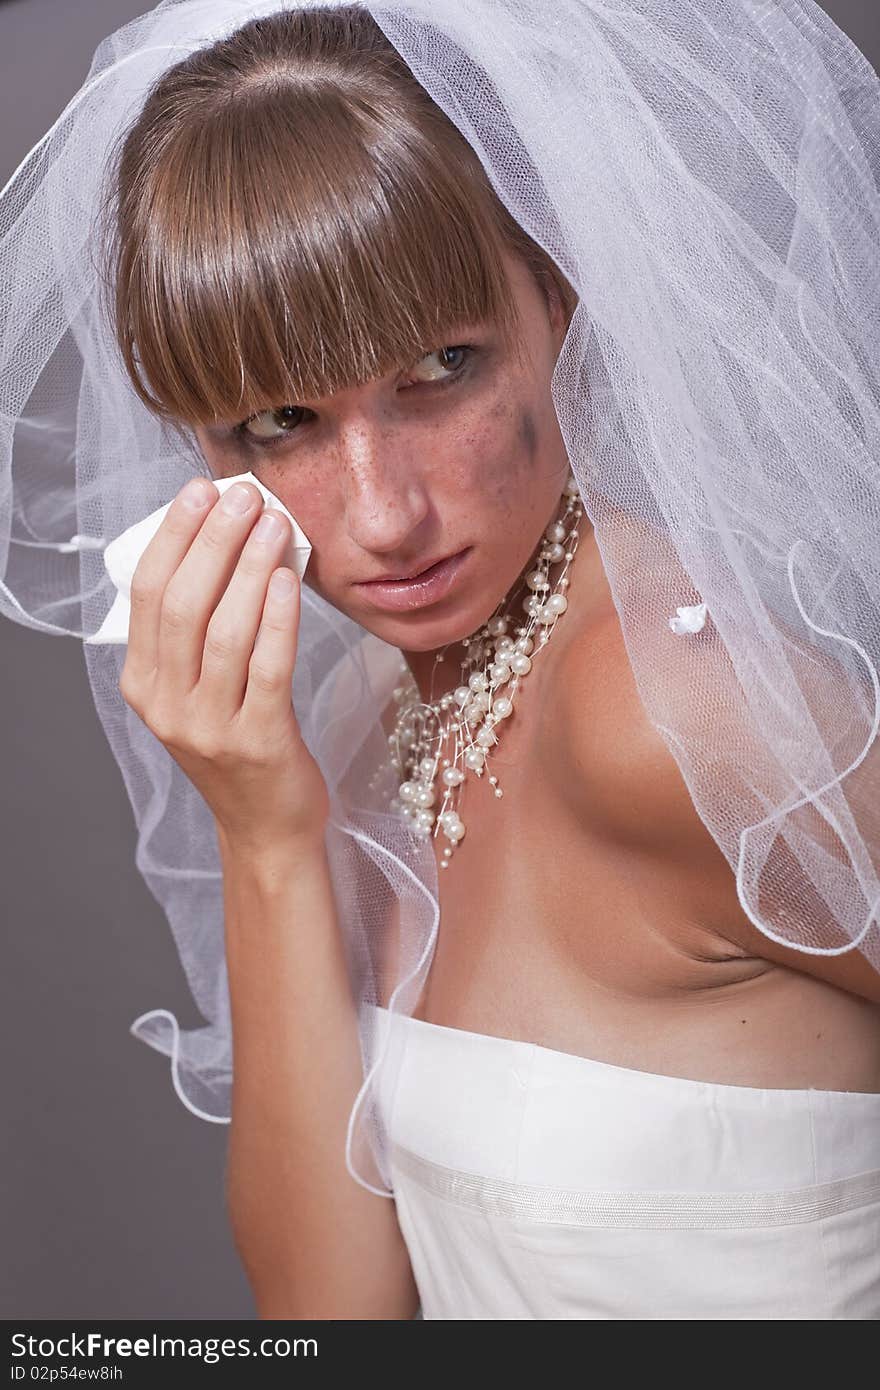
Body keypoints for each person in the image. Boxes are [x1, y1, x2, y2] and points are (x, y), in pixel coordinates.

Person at [2, 0, 880, 1319]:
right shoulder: (372, 715)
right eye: (281, 421)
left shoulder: (673, 711)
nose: (383, 511)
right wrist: (266, 831)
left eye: (440, 369)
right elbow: (330, 1317)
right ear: (204, 446)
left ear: (557, 304)